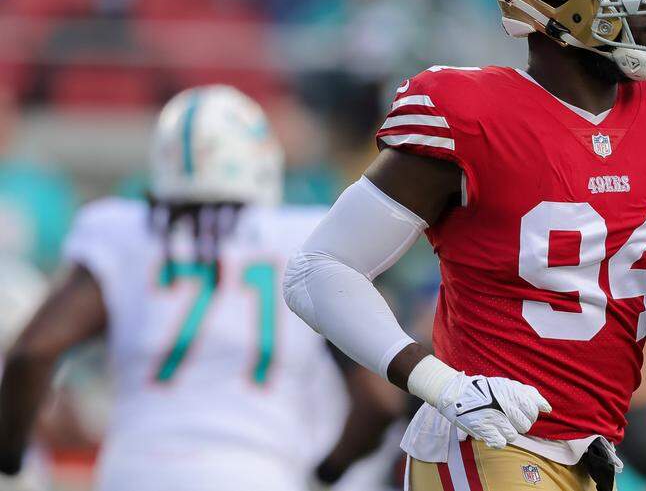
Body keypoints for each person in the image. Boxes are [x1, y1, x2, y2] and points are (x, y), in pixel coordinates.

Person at [283, 0, 646, 491]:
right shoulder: (473, 115)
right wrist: (442, 385)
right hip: (487, 442)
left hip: (590, 453)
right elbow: (318, 269)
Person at [0, 85, 396, 491]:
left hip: (138, 470)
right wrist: (323, 473)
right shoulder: (305, 239)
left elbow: (33, 352)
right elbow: (380, 399)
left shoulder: (122, 233)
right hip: (256, 470)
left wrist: (10, 457)